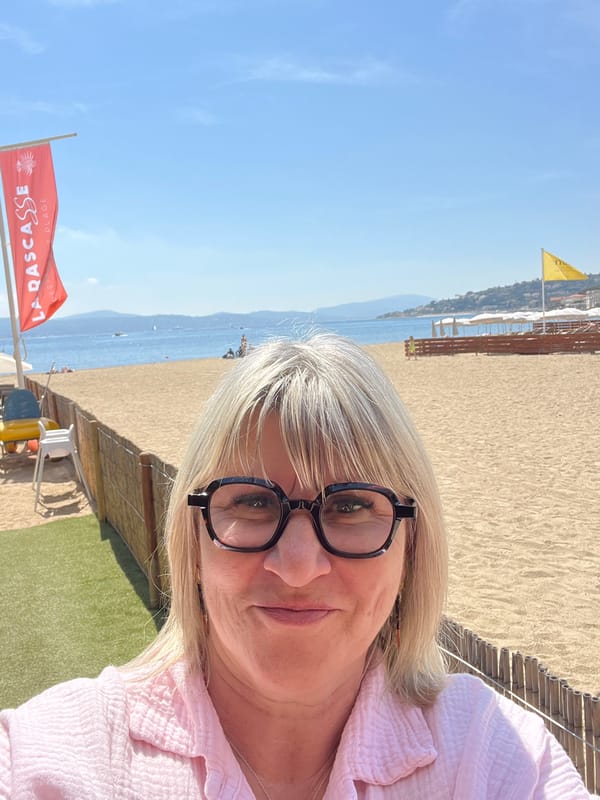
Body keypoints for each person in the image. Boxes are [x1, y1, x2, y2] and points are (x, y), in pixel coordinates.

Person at [0, 334, 590, 799]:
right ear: (194, 542)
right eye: (253, 502)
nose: (300, 567)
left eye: (352, 505)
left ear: (411, 546)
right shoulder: (58, 759)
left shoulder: (493, 759)